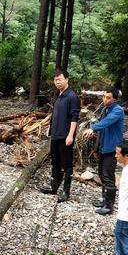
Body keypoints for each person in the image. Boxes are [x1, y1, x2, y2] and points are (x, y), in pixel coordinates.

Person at [39, 69, 80, 202]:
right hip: (55, 135)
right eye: (55, 80)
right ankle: (53, 186)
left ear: (67, 79)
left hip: (65, 136)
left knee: (66, 164)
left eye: (60, 79)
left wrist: (70, 135)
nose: (57, 82)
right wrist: (50, 130)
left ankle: (66, 192)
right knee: (55, 162)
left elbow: (75, 117)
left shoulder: (72, 96)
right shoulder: (59, 96)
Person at [83, 87, 124, 215]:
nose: (105, 99)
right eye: (104, 97)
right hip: (103, 147)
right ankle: (104, 199)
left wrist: (92, 128)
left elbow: (106, 123)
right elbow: (102, 131)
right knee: (101, 174)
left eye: (108, 98)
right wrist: (96, 147)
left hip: (112, 148)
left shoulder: (118, 111)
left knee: (108, 176)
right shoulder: (105, 110)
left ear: (115, 99)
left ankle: (109, 205)